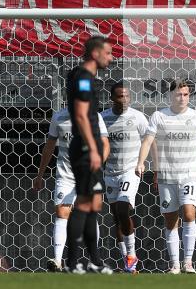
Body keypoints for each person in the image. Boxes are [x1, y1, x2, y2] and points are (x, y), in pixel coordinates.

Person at [136, 80, 196, 274]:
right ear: (170, 96)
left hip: (189, 174)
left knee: (189, 213)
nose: (182, 98)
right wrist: (141, 162)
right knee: (171, 219)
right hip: (167, 175)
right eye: (179, 95)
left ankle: (188, 262)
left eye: (186, 95)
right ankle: (174, 263)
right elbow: (147, 141)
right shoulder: (159, 116)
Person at [33, 106, 109, 272]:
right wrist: (40, 175)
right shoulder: (58, 117)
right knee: (61, 213)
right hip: (65, 175)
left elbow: (105, 144)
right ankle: (58, 261)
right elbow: (49, 146)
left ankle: (94, 260)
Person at [63, 35, 115, 274]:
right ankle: (72, 263)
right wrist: (93, 149)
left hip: (87, 146)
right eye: (108, 53)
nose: (111, 57)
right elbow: (82, 116)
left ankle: (94, 261)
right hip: (85, 148)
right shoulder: (83, 78)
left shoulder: (86, 78)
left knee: (94, 203)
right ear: (95, 54)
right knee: (84, 203)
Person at [101, 82, 150, 274]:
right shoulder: (103, 118)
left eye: (127, 96)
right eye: (121, 96)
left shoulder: (137, 117)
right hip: (110, 172)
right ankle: (129, 266)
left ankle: (132, 257)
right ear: (112, 98)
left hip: (131, 170)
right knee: (116, 217)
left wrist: (145, 163)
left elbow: (149, 140)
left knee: (123, 209)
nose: (125, 100)